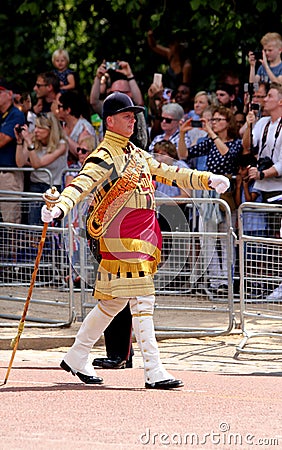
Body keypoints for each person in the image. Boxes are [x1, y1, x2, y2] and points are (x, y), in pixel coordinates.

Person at [41, 92, 229, 388]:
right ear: (110, 121)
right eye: (127, 115)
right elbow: (81, 184)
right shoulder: (104, 156)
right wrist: (61, 206)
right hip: (119, 240)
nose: (133, 120)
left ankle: (77, 355)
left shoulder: (137, 154)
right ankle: (153, 370)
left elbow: (169, 173)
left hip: (139, 238)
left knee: (111, 304)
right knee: (143, 299)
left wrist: (206, 179)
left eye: (133, 115)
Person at [178, 106, 242, 294]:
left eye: (218, 120)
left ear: (228, 122)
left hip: (227, 193)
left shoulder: (236, 143)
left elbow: (227, 156)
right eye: (212, 120)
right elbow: (184, 155)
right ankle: (215, 281)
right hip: (209, 192)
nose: (213, 123)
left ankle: (227, 280)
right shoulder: (209, 142)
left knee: (226, 238)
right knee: (208, 238)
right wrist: (182, 135)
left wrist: (211, 133)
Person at [15, 112, 68, 225]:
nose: (36, 131)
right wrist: (20, 142)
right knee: (34, 225)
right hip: (35, 186)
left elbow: (37, 164)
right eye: (35, 127)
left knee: (50, 226)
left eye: (40, 127)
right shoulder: (33, 142)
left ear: (50, 129)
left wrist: (29, 143)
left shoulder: (61, 145)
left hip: (53, 188)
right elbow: (20, 163)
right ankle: (35, 243)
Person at [90, 60, 147, 149]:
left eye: (121, 92)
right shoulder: (109, 109)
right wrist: (98, 77)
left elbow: (139, 102)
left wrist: (130, 75)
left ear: (130, 93)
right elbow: (94, 102)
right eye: (113, 92)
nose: (116, 96)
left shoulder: (137, 112)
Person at [242, 82, 282, 204]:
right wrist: (249, 125)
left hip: (279, 188)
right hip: (262, 186)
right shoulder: (263, 122)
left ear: (280, 102)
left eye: (270, 96)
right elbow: (247, 145)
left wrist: (262, 173)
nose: (265, 99)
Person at [0, 79, 25, 223]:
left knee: (10, 222)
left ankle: (13, 247)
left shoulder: (16, 115)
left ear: (9, 94)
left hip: (9, 176)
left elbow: (2, 140)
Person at [56, 90, 97, 163]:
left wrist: (65, 137)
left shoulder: (84, 127)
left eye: (59, 107)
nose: (57, 110)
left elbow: (82, 153)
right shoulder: (62, 125)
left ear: (68, 110)